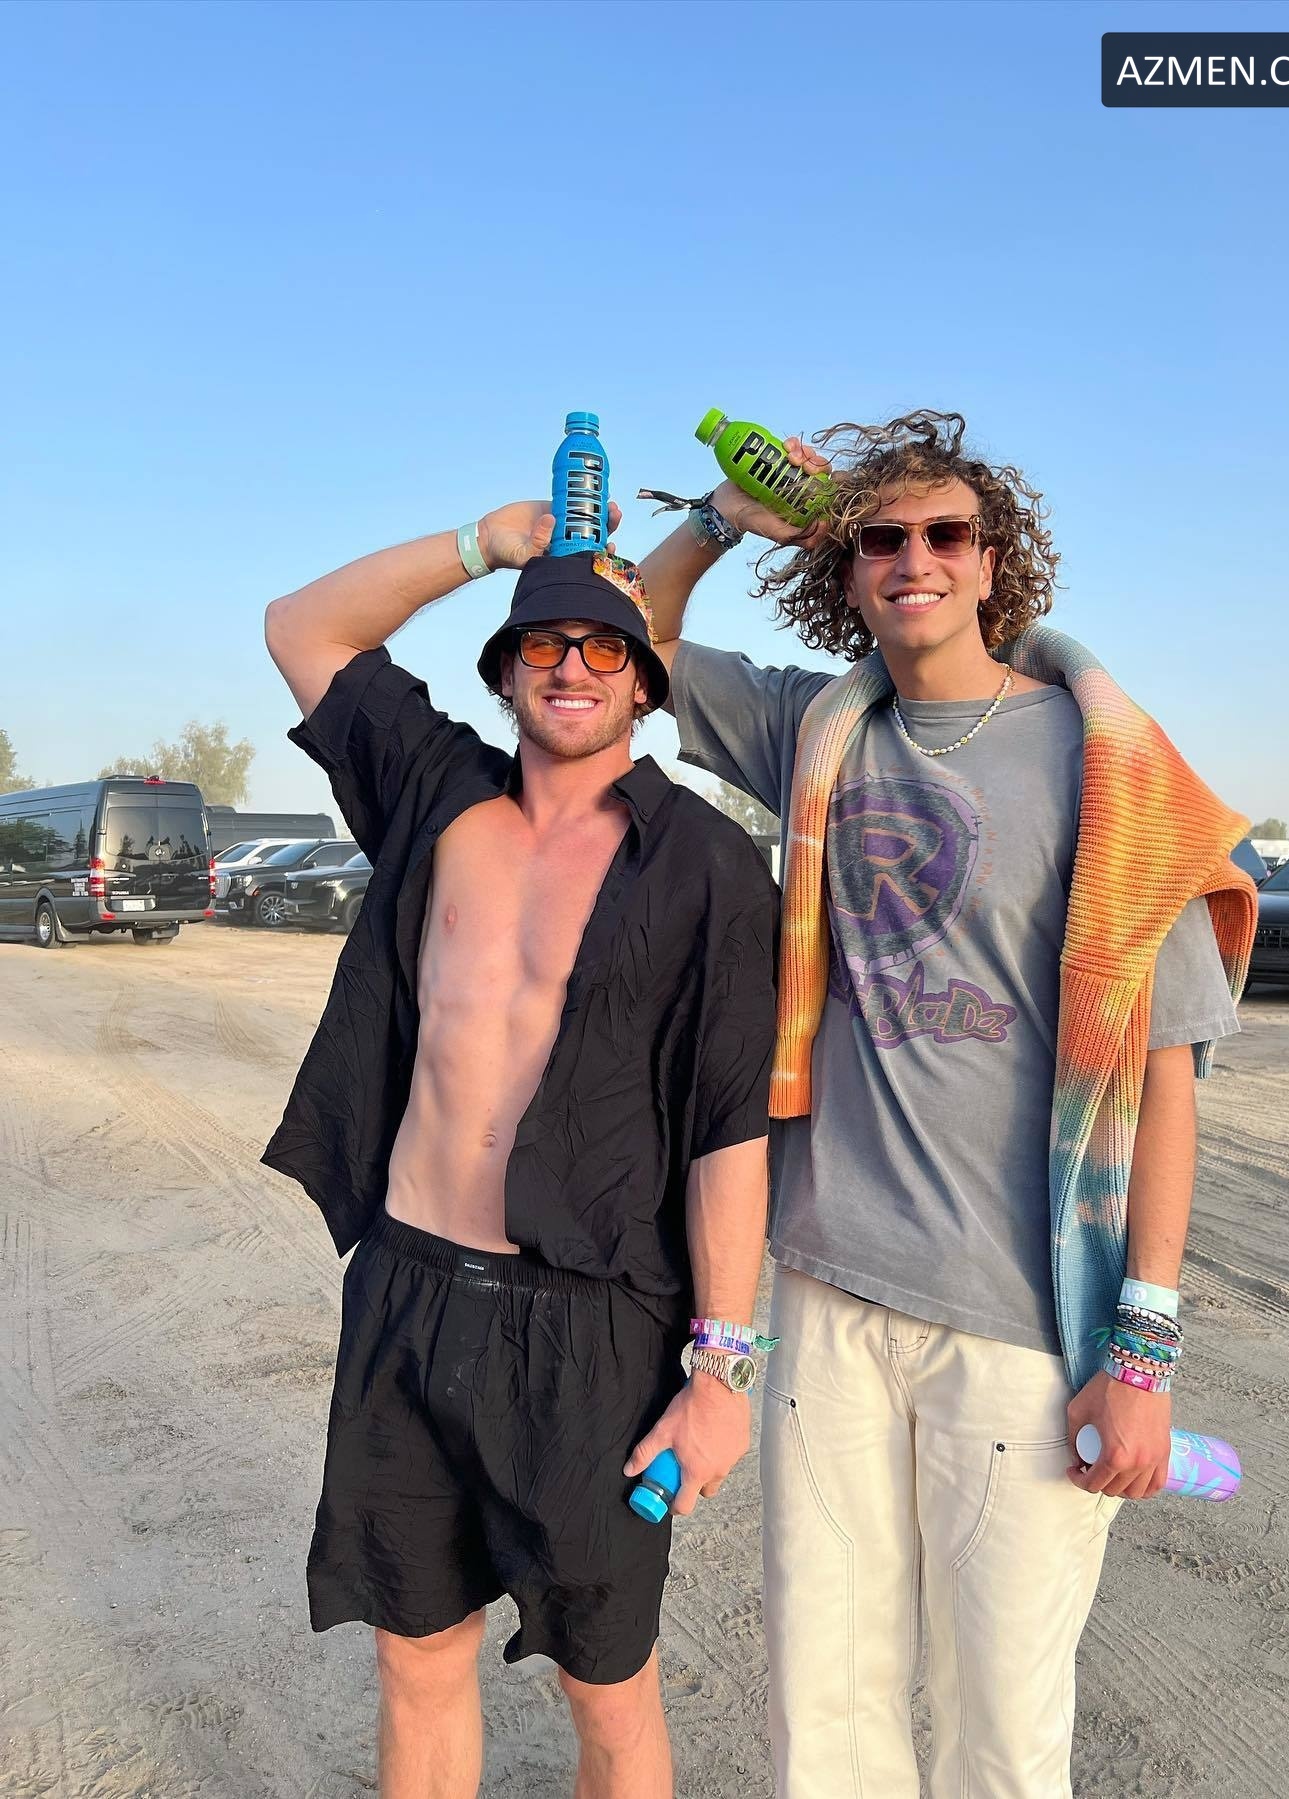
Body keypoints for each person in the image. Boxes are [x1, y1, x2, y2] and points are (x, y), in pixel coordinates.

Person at [635, 411, 1258, 1798]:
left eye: (945, 534)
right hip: (830, 1291)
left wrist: (1144, 1351)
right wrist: (723, 518)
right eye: (882, 538)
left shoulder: (1112, 767)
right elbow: (641, 645)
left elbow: (1162, 1080)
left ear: (991, 562)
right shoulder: (816, 730)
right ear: (847, 570)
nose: (914, 557)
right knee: (825, 1706)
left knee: (1001, 1728)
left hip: (1020, 1323)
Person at [261, 501, 779, 1799]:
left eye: (606, 648)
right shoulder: (435, 791)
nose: (572, 667)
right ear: (504, 671)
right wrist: (481, 545)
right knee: (416, 1661)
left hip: (592, 1328)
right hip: (408, 1293)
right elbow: (302, 627)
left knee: (606, 1691)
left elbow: (728, 1129)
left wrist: (721, 1371)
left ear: (645, 683)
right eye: (543, 643)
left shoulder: (709, 866)